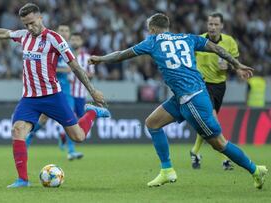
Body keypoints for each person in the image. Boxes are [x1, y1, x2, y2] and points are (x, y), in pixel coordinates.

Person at [88, 13, 267, 189]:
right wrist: (237, 65)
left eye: (148, 29)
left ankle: (255, 170)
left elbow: (121, 55)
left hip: (193, 98)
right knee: (152, 123)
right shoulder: (188, 38)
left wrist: (100, 59)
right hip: (182, 97)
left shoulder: (152, 41)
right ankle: (167, 170)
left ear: (152, 29)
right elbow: (217, 49)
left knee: (219, 143)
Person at [0, 3, 110, 188]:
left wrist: (92, 91)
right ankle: (23, 180)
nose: (29, 27)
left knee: (78, 137)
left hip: (53, 96)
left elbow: (75, 67)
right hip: (29, 98)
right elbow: (4, 33)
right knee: (17, 131)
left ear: (40, 18)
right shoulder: (24, 36)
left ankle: (92, 112)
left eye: (32, 23)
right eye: (25, 24)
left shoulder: (54, 39)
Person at [190, 13, 245, 170]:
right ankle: (225, 159)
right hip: (202, 85)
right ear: (207, 25)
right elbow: (189, 59)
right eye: (210, 24)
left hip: (220, 86)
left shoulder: (229, 42)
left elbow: (235, 64)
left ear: (221, 26)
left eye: (215, 24)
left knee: (207, 123)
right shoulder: (198, 40)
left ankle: (194, 152)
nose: (212, 27)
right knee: (212, 120)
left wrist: (231, 68)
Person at [25, 24, 84, 161]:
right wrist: (65, 70)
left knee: (71, 118)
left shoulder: (69, 49)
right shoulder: (50, 46)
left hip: (66, 91)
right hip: (52, 90)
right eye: (61, 30)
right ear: (57, 32)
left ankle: (71, 151)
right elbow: (48, 67)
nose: (64, 32)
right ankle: (29, 136)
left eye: (66, 30)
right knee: (43, 119)